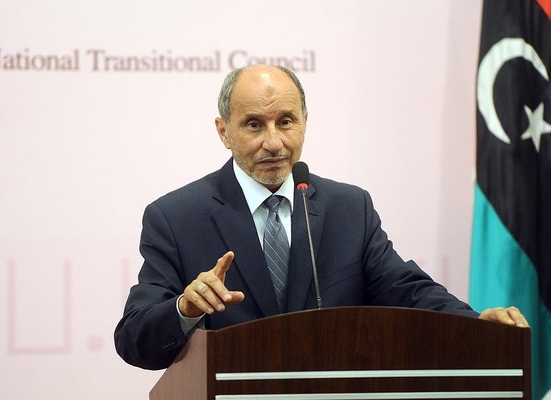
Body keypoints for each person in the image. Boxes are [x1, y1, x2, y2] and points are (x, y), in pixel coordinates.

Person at [114, 64, 528, 370]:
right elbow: (134, 338)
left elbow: (406, 290)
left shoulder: (349, 208)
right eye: (254, 125)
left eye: (286, 122)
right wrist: (185, 309)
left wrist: (476, 323)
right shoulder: (176, 218)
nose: (274, 142)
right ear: (224, 132)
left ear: (305, 122)